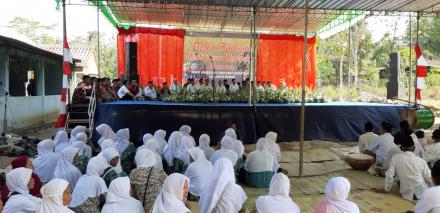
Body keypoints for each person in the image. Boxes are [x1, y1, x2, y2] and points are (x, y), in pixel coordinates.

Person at [385, 135, 432, 201]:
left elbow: (389, 176)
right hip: (422, 191)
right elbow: (429, 178)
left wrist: (386, 189)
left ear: (401, 148)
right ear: (414, 148)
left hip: (406, 193)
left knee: (399, 182)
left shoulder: (395, 158)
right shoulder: (421, 161)